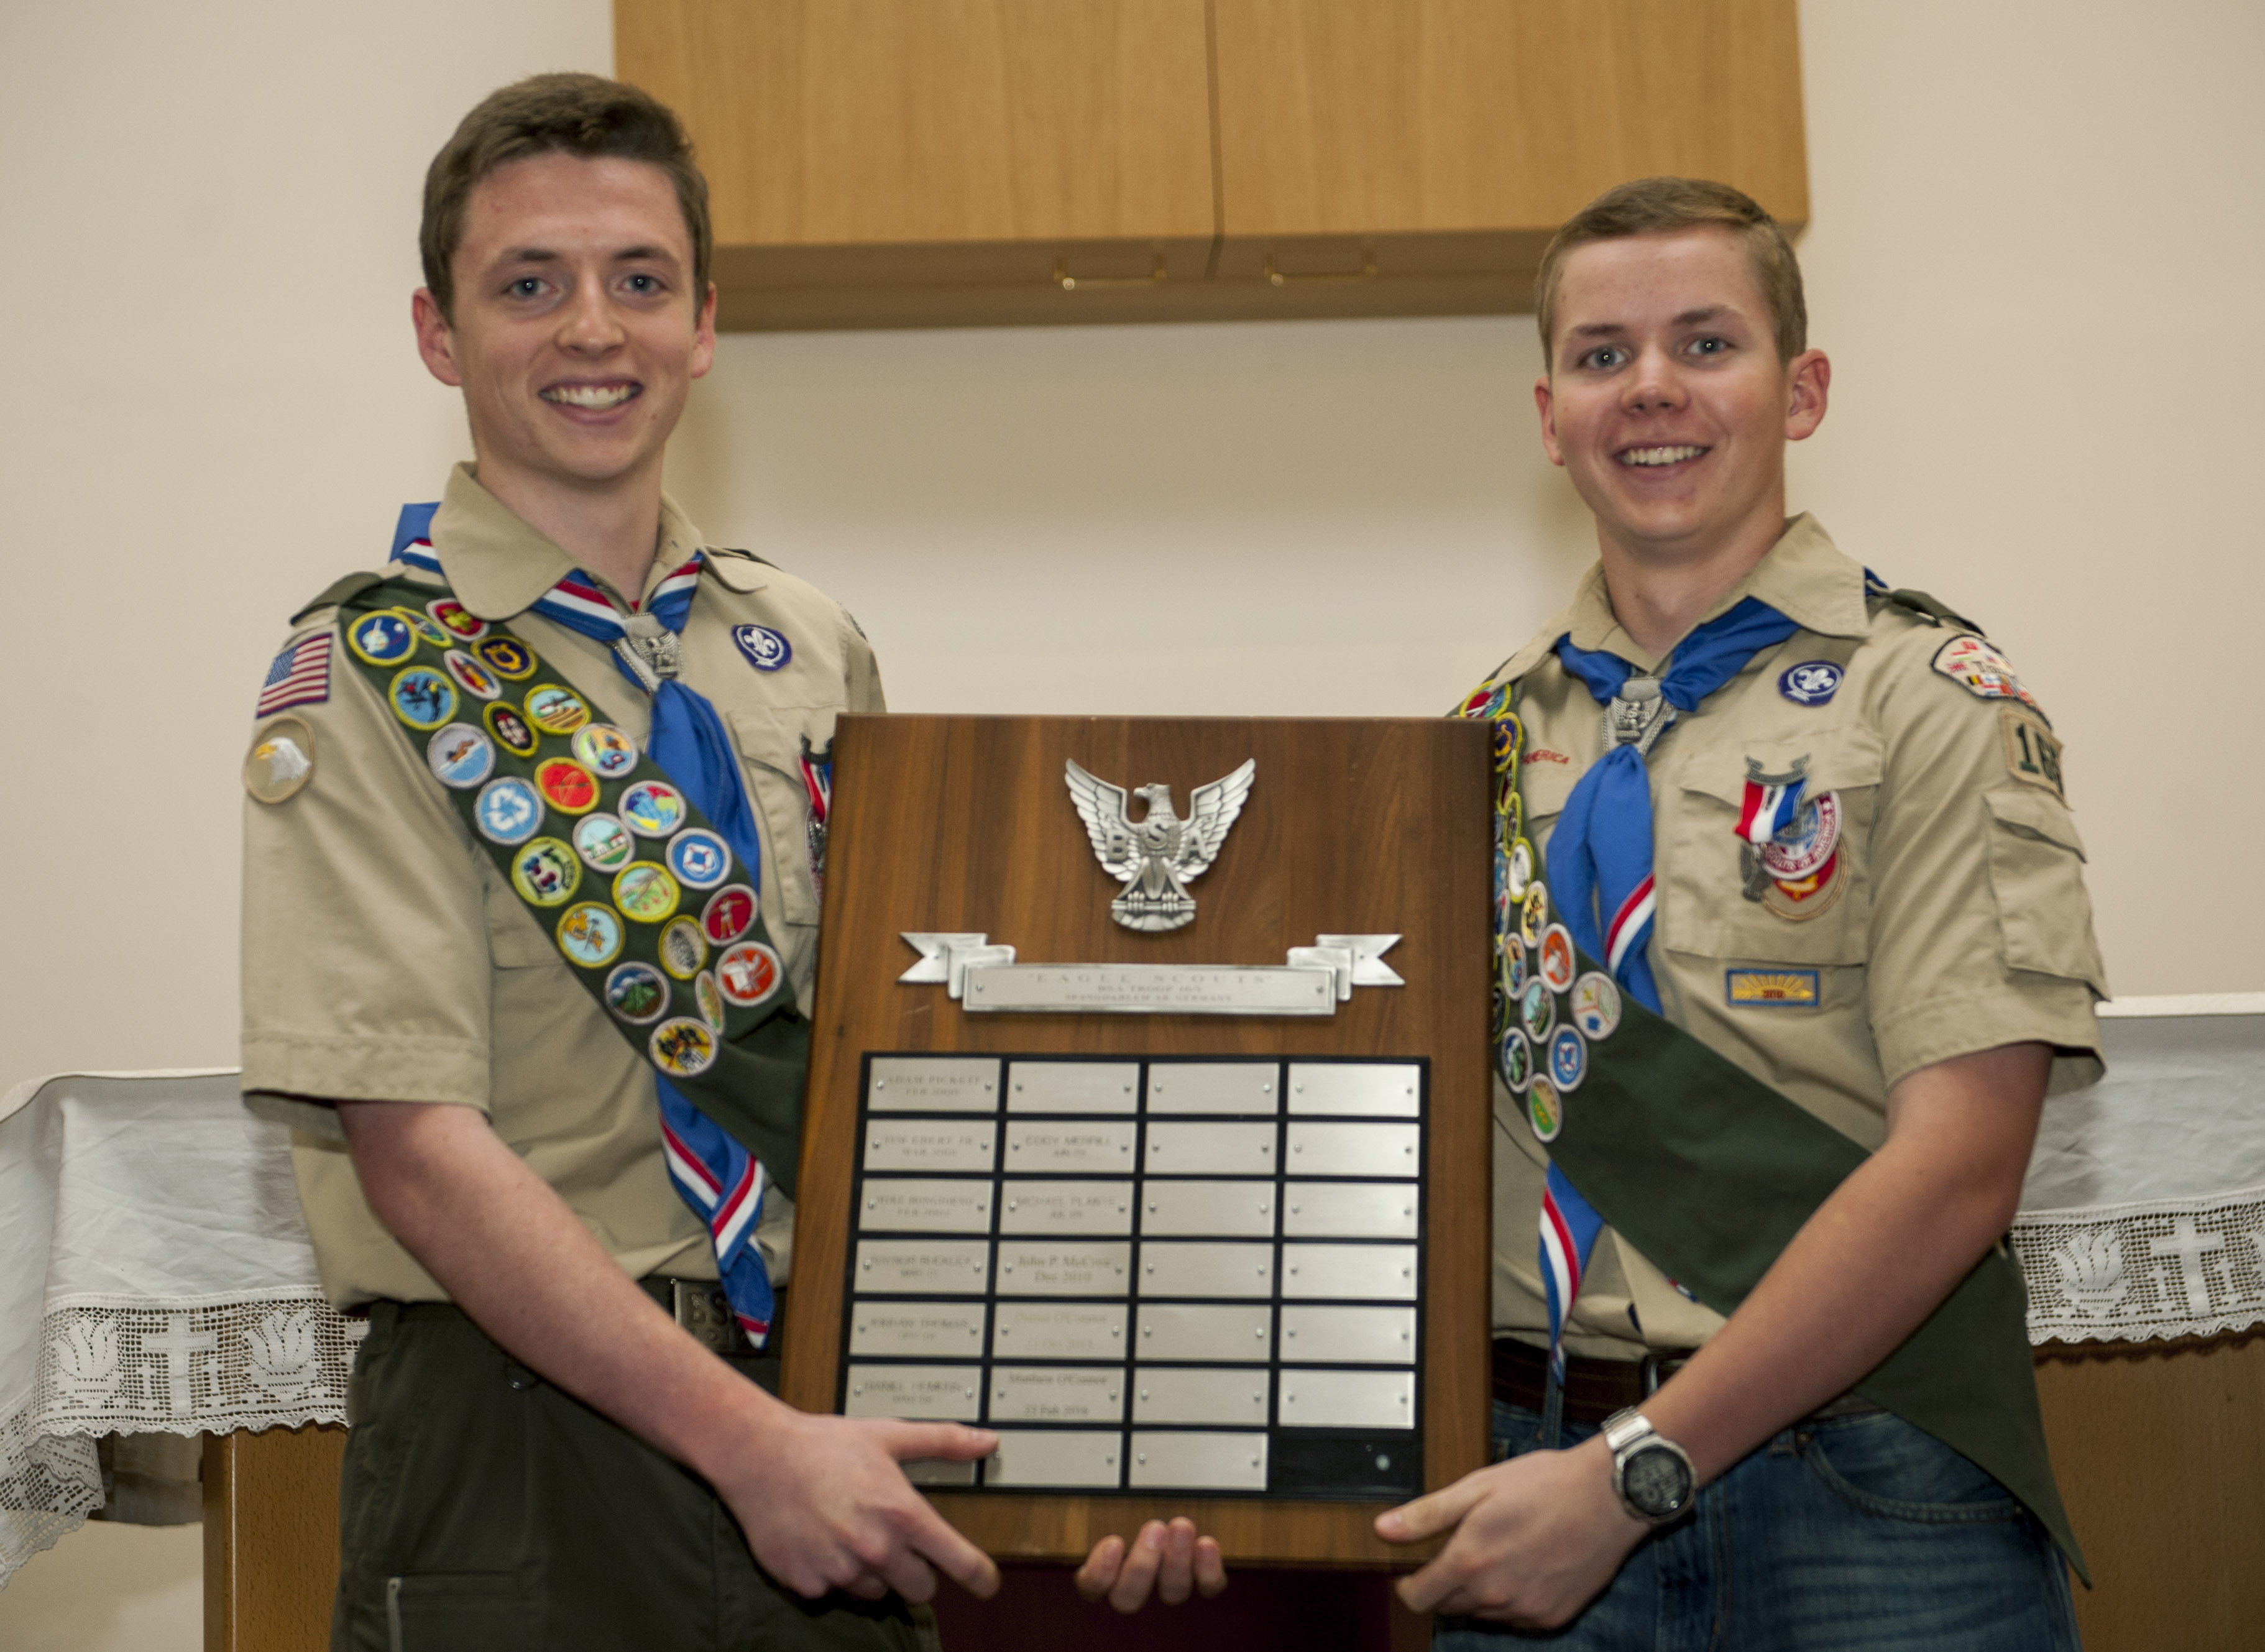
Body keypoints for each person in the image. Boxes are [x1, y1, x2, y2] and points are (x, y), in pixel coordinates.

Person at [238, 73, 1213, 1648]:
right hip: (526, 1428)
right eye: (528, 286)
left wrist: (1107, 1434)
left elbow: (920, 1072)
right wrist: (747, 1444)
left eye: (639, 281)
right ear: (439, 334)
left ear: (704, 323)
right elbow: (417, 1150)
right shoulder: (371, 668)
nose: (591, 330)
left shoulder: (802, 644)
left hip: (828, 1401)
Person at [1376, 178, 2106, 1650]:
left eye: (1705, 343)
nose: (1650, 388)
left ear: (1803, 387)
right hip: (1529, 1463)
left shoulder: (1926, 700)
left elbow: (1963, 1166)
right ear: (1548, 412)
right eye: (1601, 356)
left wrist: (1640, 1469)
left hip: (1868, 1470)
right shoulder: (1469, 744)